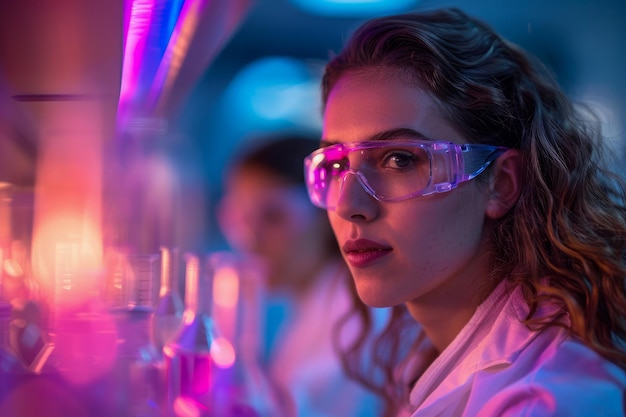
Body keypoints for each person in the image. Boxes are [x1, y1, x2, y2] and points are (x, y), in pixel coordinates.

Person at [303, 7, 626, 417]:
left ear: (502, 183)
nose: (349, 205)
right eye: (336, 165)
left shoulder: (544, 402)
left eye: (400, 159)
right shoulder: (421, 354)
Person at [217, 133, 385, 417]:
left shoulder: (356, 314)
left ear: (325, 215)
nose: (250, 240)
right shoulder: (311, 299)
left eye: (273, 217)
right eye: (240, 218)